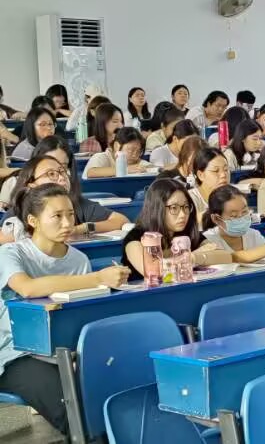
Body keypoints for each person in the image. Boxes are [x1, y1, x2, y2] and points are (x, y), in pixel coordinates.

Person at [0, 184, 130, 436]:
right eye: (57, 216)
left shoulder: (78, 260)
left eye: (70, 214)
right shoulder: (10, 253)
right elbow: (27, 288)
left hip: (66, 352)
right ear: (33, 221)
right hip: (15, 354)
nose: (67, 223)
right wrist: (97, 278)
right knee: (74, 409)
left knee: (111, 389)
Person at [1, 153, 128, 242]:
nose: (62, 178)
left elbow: (121, 220)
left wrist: (80, 229)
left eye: (62, 172)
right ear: (31, 184)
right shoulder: (18, 212)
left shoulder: (77, 203)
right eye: (51, 174)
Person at [121, 179, 231, 280]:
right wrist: (186, 258)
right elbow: (153, 271)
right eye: (174, 208)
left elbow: (226, 256)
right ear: (157, 208)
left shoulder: (188, 234)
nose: (183, 214)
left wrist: (193, 257)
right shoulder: (135, 238)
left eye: (186, 207)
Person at [202, 185, 265, 262]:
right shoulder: (208, 241)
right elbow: (228, 258)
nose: (241, 218)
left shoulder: (254, 235)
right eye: (233, 216)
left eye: (244, 211)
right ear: (216, 219)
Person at [82, 127, 150, 178]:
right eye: (131, 150)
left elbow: (150, 168)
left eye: (138, 151)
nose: (134, 155)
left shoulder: (137, 161)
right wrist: (125, 170)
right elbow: (91, 172)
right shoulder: (101, 157)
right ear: (116, 146)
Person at [188, 148, 230, 218]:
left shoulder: (232, 195)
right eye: (216, 171)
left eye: (226, 169)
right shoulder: (190, 200)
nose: (223, 175)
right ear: (201, 175)